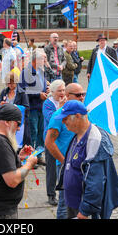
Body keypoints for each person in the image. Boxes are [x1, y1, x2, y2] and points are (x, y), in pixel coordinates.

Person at [54, 100, 118, 219]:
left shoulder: (95, 139)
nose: (62, 122)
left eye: (65, 118)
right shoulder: (77, 134)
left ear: (77, 117)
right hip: (73, 202)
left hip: (84, 208)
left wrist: (85, 210)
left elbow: (96, 181)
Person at [44, 83, 86, 219]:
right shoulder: (59, 115)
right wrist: (64, 162)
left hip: (80, 164)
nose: (82, 97)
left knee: (79, 202)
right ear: (67, 96)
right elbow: (49, 142)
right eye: (78, 95)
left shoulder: (82, 113)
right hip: (65, 166)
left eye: (83, 94)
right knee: (64, 204)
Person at [19, 49, 48, 165]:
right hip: (32, 107)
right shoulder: (26, 72)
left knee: (42, 132)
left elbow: (42, 86)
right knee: (32, 133)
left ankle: (39, 155)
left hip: (42, 107)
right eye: (43, 58)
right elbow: (22, 90)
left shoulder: (41, 72)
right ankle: (30, 157)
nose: (45, 60)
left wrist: (46, 90)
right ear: (36, 60)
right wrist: (38, 94)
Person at [42, 79, 66, 207]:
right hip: (51, 140)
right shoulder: (47, 103)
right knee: (51, 168)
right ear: (52, 92)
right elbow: (52, 118)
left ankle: (65, 191)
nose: (62, 93)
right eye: (59, 91)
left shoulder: (67, 101)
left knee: (64, 165)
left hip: (64, 139)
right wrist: (61, 108)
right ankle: (51, 194)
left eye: (63, 90)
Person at [0, 72, 30, 147]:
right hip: (6, 123)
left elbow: (26, 108)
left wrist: (13, 106)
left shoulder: (22, 93)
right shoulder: (4, 92)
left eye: (12, 83)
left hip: (17, 124)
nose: (10, 85)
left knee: (17, 145)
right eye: (8, 83)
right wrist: (0, 105)